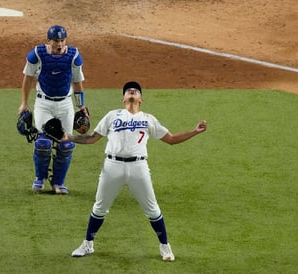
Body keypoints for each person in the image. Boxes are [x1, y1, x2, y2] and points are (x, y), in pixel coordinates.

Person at [63, 81, 207, 261]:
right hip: (112, 166)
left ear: (141, 100)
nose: (132, 91)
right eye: (128, 91)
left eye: (136, 91)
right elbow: (92, 138)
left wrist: (194, 131)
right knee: (99, 208)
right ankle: (87, 244)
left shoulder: (148, 119)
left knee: (152, 209)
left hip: (138, 167)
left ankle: (165, 246)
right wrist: (68, 137)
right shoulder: (112, 115)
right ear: (123, 99)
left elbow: (171, 139)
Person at [18, 25, 86, 194]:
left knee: (67, 144)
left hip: (65, 104)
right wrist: (24, 103)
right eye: (56, 41)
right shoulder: (37, 54)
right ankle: (39, 179)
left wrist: (81, 105)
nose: (60, 44)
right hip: (44, 103)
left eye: (63, 40)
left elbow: (77, 82)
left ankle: (58, 183)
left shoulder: (74, 56)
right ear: (48, 41)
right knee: (43, 143)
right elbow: (28, 79)